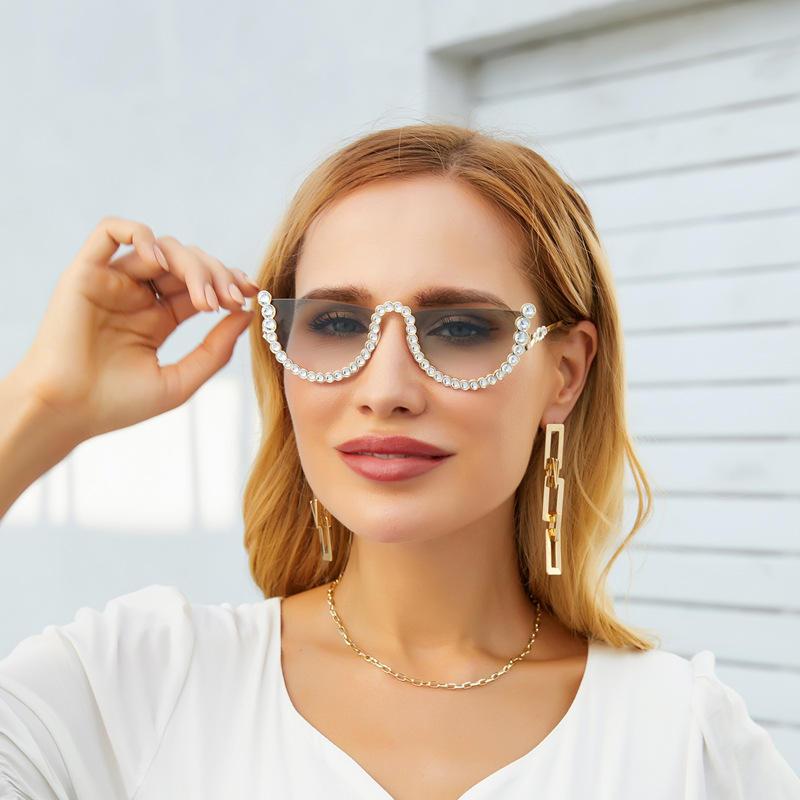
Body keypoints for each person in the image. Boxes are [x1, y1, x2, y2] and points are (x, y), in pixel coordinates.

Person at [0, 123, 797, 800]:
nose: (385, 390)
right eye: (339, 322)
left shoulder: (684, 741)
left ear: (566, 372)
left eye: (456, 328)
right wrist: (39, 409)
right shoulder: (130, 687)